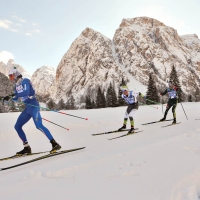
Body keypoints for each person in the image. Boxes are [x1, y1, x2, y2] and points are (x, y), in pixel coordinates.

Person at [3, 67, 61, 155]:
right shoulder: (16, 87)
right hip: (27, 109)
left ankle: (54, 143)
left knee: (38, 126)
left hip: (34, 106)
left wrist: (12, 96)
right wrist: (6, 99)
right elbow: (17, 99)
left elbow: (26, 92)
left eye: (11, 76)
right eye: (9, 77)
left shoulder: (25, 81)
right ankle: (26, 148)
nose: (10, 79)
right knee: (17, 126)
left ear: (15, 75)